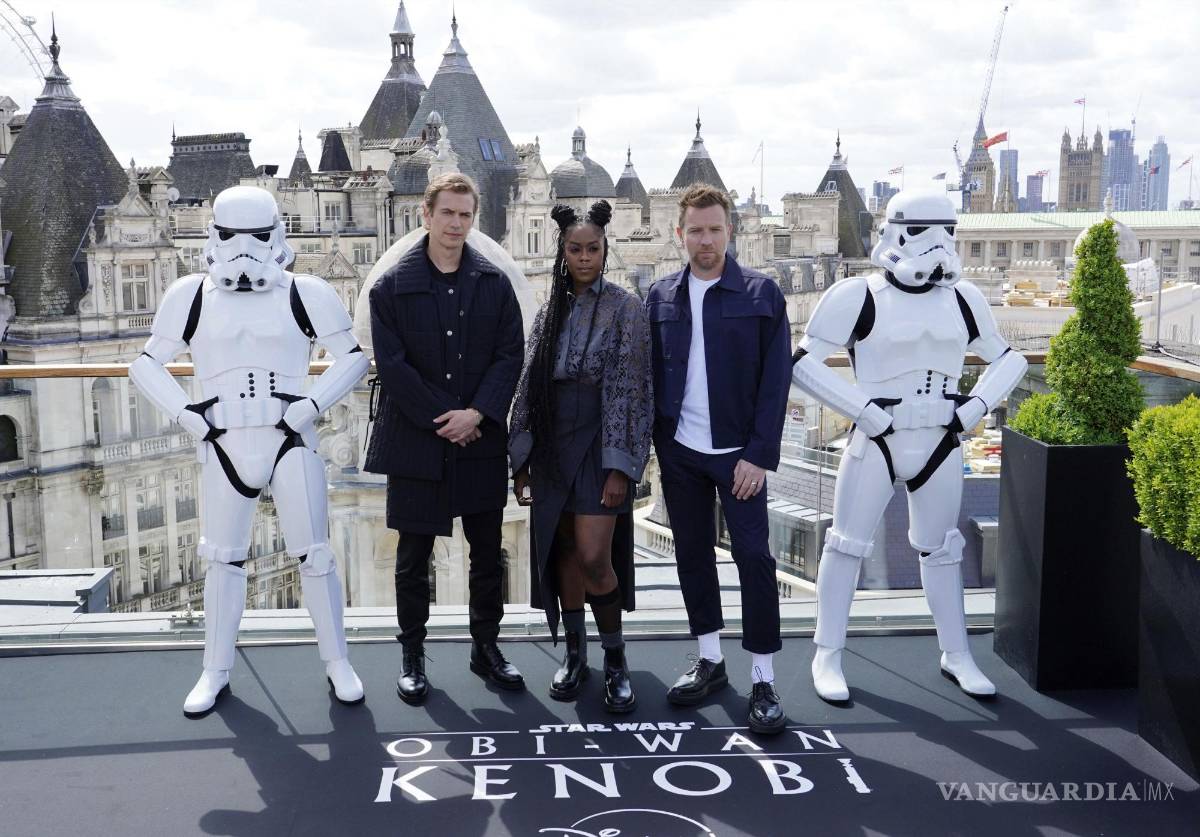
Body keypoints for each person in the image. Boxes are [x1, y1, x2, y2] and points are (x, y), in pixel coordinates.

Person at [130, 185, 368, 716]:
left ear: (277, 234)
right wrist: (189, 416)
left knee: (316, 554)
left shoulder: (304, 292)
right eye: (231, 235)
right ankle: (215, 669)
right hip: (223, 440)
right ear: (212, 234)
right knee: (222, 559)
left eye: (256, 235)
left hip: (289, 438)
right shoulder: (189, 295)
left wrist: (310, 406)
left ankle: (337, 661)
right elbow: (145, 363)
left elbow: (354, 358)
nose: (243, 249)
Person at [791, 189, 1028, 702]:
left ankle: (957, 653)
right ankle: (827, 652)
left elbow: (1010, 359)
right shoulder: (857, 295)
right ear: (895, 231)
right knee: (846, 544)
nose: (938, 243)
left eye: (948, 230)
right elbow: (802, 362)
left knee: (942, 549)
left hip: (941, 437)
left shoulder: (964, 299)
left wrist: (975, 407)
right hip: (879, 436)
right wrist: (862, 411)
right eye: (923, 230)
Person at [364, 173, 526, 705]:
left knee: (486, 555)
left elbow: (510, 355)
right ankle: (412, 657)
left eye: (466, 215)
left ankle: (487, 648)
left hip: (477, 436)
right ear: (426, 216)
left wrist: (475, 413)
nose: (457, 224)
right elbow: (393, 367)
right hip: (419, 439)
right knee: (412, 558)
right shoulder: (390, 288)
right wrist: (452, 418)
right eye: (448, 213)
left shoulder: (495, 283)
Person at [645, 183, 792, 734]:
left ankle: (763, 677)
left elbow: (776, 382)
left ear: (730, 231)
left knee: (754, 559)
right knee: (692, 556)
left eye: (715, 229)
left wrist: (758, 456)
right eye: (695, 230)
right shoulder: (659, 296)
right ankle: (709, 659)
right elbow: (652, 377)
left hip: (739, 459)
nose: (705, 241)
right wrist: (662, 447)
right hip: (681, 453)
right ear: (678, 233)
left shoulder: (762, 294)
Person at [509, 201, 653, 713]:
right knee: (563, 550)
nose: (585, 257)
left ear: (605, 249)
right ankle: (576, 655)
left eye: (593, 249)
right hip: (552, 443)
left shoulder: (626, 306)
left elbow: (631, 390)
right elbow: (529, 381)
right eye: (576, 249)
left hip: (599, 439)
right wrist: (521, 456)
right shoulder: (550, 308)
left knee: (596, 556)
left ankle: (616, 661)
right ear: (563, 251)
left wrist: (620, 466)